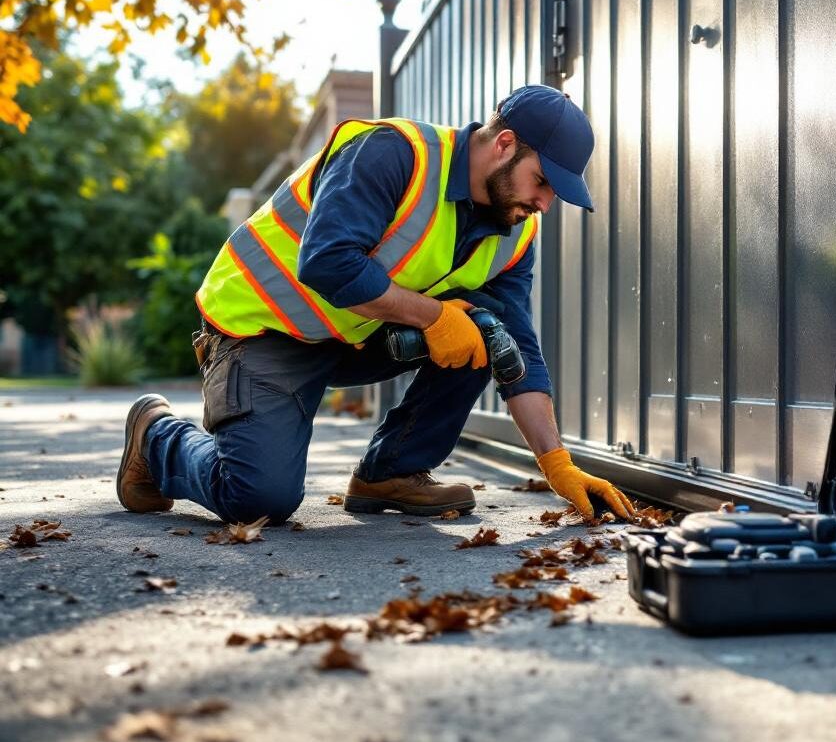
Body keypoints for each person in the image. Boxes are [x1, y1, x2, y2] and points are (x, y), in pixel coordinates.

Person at [116, 84, 635, 526]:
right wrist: (435, 317)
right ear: (504, 145)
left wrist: (556, 463)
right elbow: (327, 262)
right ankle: (156, 436)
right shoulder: (393, 154)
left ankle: (390, 473)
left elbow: (518, 345)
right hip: (262, 329)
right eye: (543, 182)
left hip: (355, 335)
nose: (545, 203)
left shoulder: (515, 233)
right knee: (259, 499)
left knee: (486, 332)